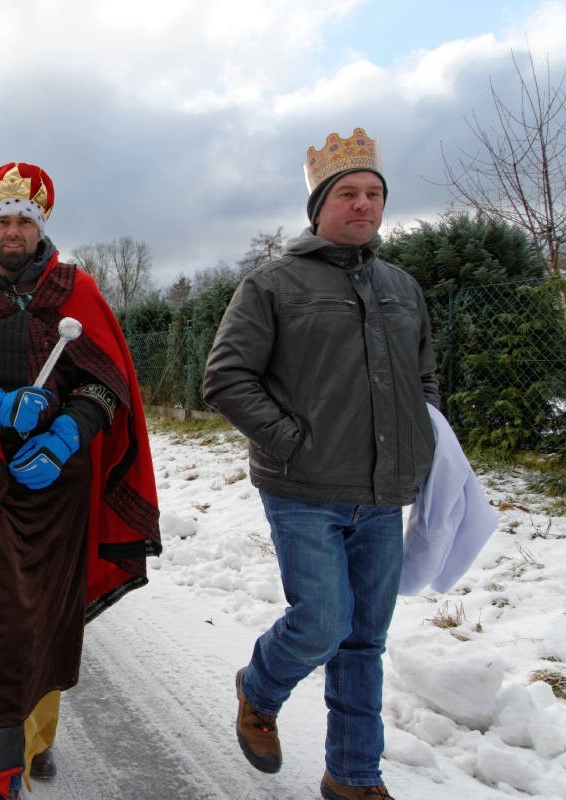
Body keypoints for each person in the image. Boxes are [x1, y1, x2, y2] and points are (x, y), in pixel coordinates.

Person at [0, 162, 161, 800]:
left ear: (40, 226)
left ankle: (36, 739)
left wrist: (68, 432)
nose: (14, 231)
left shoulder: (76, 291)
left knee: (50, 615)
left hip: (61, 483)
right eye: (4, 221)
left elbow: (107, 383)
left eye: (25, 220)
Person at [203, 128, 438, 800]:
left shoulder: (402, 287)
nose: (362, 205)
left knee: (365, 640)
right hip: (303, 490)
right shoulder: (272, 284)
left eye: (373, 194)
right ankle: (260, 686)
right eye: (347, 194)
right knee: (323, 622)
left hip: (383, 492)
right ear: (320, 207)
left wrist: (421, 448)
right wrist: (293, 443)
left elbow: (424, 379)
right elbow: (226, 378)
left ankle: (354, 776)